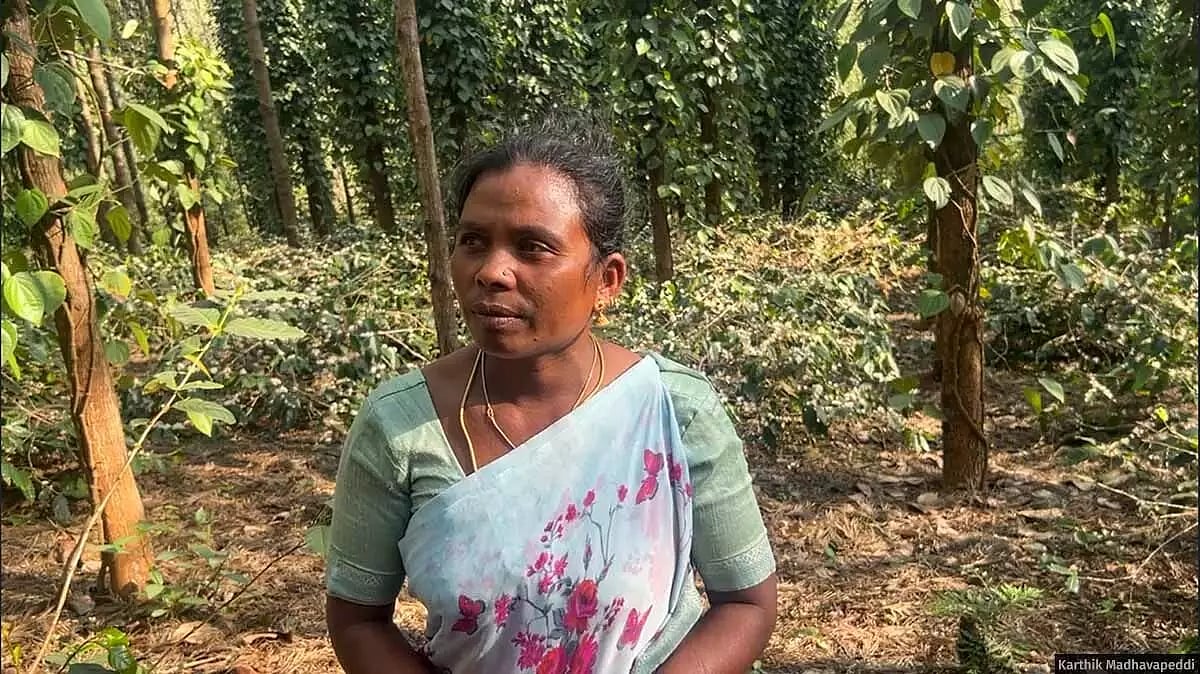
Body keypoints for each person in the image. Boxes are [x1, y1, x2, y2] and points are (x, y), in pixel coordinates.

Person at [323, 116, 777, 674]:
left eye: (533, 247)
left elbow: (747, 603)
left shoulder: (673, 411)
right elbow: (358, 619)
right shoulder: (401, 428)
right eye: (472, 242)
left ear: (606, 279)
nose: (491, 271)